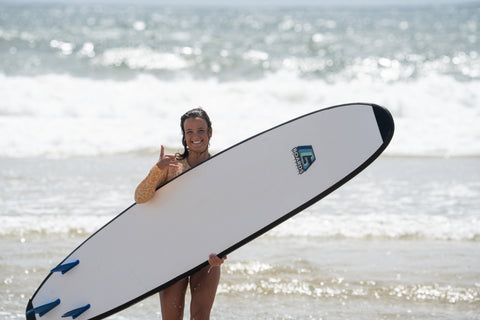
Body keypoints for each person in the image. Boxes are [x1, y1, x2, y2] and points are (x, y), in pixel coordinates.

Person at [134, 108, 226, 320]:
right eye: (189, 132)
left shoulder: (221, 168)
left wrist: (223, 250)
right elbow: (140, 197)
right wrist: (157, 169)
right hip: (172, 252)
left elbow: (227, 213)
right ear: (184, 136)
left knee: (201, 318)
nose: (195, 136)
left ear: (210, 133)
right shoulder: (172, 165)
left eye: (201, 130)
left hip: (206, 254)